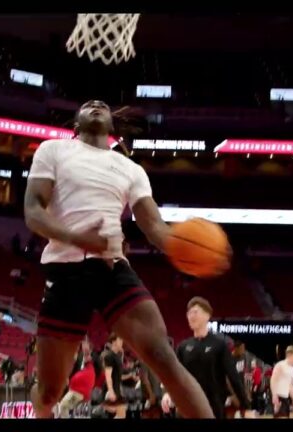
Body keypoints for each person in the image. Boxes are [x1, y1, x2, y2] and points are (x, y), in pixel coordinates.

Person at [24, 99, 214, 419]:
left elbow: (153, 225)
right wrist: (76, 237)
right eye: (88, 104)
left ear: (112, 124)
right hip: (65, 269)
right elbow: (33, 211)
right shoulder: (52, 150)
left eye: (102, 105)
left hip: (112, 268)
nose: (96, 105)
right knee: (50, 390)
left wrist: (187, 251)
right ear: (76, 122)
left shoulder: (131, 169)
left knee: (163, 356)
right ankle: (41, 410)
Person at [161, 297, 252, 419]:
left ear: (207, 315)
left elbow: (233, 377)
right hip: (187, 406)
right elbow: (174, 375)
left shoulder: (219, 345)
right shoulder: (183, 346)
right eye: (189, 313)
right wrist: (167, 393)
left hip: (213, 407)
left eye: (195, 312)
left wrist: (246, 406)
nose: (191, 316)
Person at [57, 339, 96, 418]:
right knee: (63, 407)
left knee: (64, 406)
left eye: (85, 343)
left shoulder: (93, 358)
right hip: (72, 386)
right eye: (82, 343)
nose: (82, 345)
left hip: (82, 390)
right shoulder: (78, 355)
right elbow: (71, 367)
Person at [101, 334, 128, 419]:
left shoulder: (118, 356)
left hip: (117, 388)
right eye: (120, 339)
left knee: (122, 415)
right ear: (113, 342)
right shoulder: (109, 356)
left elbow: (118, 375)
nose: (122, 342)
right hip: (111, 389)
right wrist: (111, 391)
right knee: (121, 414)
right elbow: (108, 375)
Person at [270, 346, 293, 418]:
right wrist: (274, 395)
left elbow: (291, 386)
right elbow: (273, 380)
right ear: (289, 355)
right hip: (278, 397)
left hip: (286, 398)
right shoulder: (280, 365)